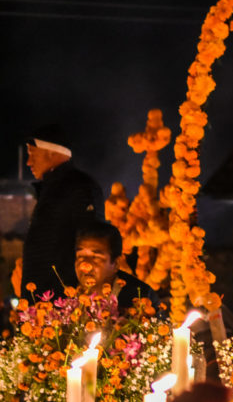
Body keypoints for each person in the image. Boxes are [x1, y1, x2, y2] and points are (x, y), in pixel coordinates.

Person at [20, 126, 104, 299]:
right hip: (41, 304)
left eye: (32, 154)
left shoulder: (80, 187)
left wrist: (78, 297)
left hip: (65, 304)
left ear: (50, 152)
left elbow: (91, 245)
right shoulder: (50, 191)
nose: (28, 162)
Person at [73, 219, 157, 310]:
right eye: (80, 256)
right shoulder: (65, 293)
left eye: (96, 258)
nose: (86, 264)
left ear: (116, 264)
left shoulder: (141, 299)